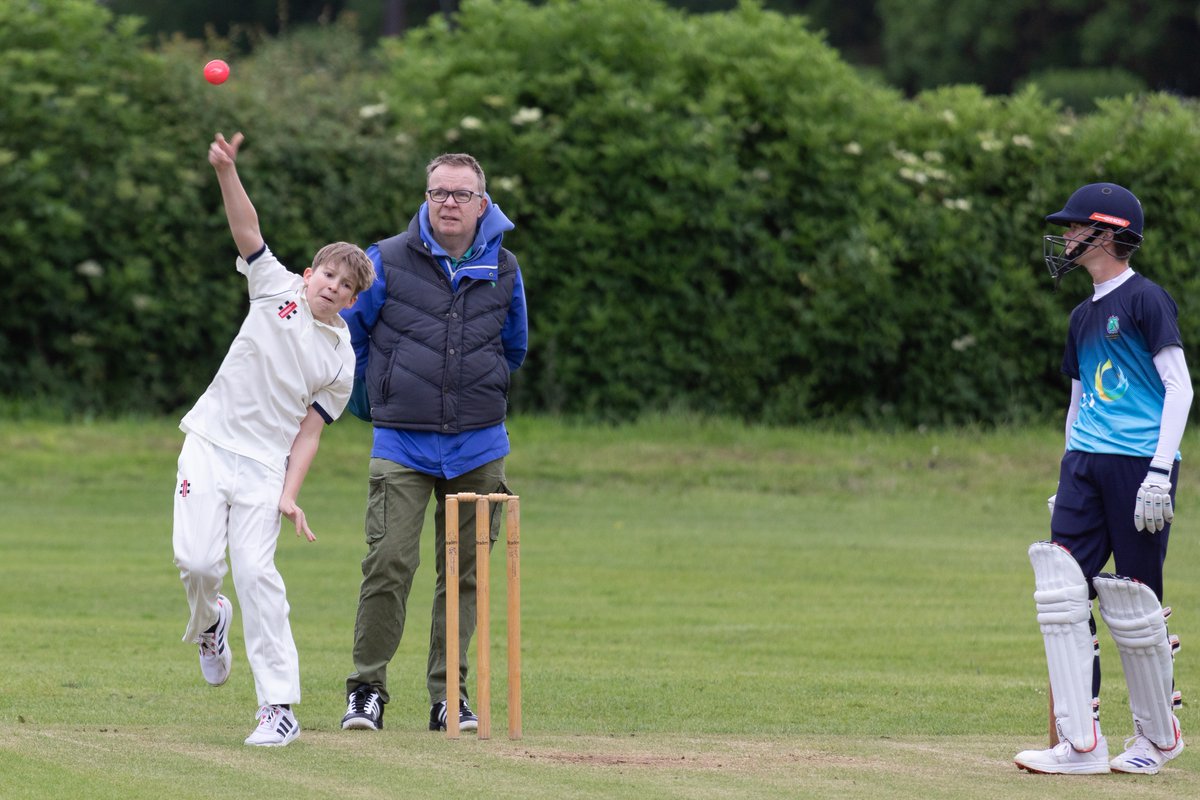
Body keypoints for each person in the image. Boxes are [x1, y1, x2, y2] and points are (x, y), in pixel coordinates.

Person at [172, 132, 376, 747]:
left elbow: (310, 433)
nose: (332, 287)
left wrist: (290, 494)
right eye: (328, 275)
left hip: (263, 467)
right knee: (198, 562)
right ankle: (211, 623)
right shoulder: (275, 287)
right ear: (310, 273)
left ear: (353, 299)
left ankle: (278, 707)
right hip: (208, 441)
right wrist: (227, 172)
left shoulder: (341, 360)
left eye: (345, 286)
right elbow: (246, 228)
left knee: (258, 573)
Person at [338, 153, 527, 733]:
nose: (449, 202)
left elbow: (513, 348)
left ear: (483, 204)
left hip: (477, 447)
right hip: (402, 443)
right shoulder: (387, 258)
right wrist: (375, 396)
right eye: (438, 191)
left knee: (467, 574)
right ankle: (366, 690)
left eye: (461, 194)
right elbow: (348, 335)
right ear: (425, 198)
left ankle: (450, 698)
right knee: (388, 562)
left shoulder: (505, 266)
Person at [1015, 182, 1193, 774]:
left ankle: (1157, 740)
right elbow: (1077, 402)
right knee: (1063, 590)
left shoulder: (1147, 300)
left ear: (1109, 232)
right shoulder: (1080, 316)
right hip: (1085, 466)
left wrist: (1160, 474)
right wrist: (1067, 473)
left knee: (1134, 605)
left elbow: (1179, 387)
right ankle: (1080, 744)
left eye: (1074, 226)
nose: (1065, 236)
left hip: (1138, 466)